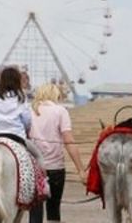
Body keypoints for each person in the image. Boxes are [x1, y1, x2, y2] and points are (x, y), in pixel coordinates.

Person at [28, 83, 86, 223]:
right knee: (54, 209)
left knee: (35, 210)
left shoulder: (29, 110)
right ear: (55, 95)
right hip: (56, 167)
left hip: (34, 167)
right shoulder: (60, 111)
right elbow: (68, 141)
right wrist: (81, 170)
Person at [0, 67, 43, 165]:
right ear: (17, 80)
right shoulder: (21, 97)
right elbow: (27, 120)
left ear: (2, 80)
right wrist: (26, 129)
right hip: (17, 136)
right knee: (39, 157)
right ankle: (43, 180)